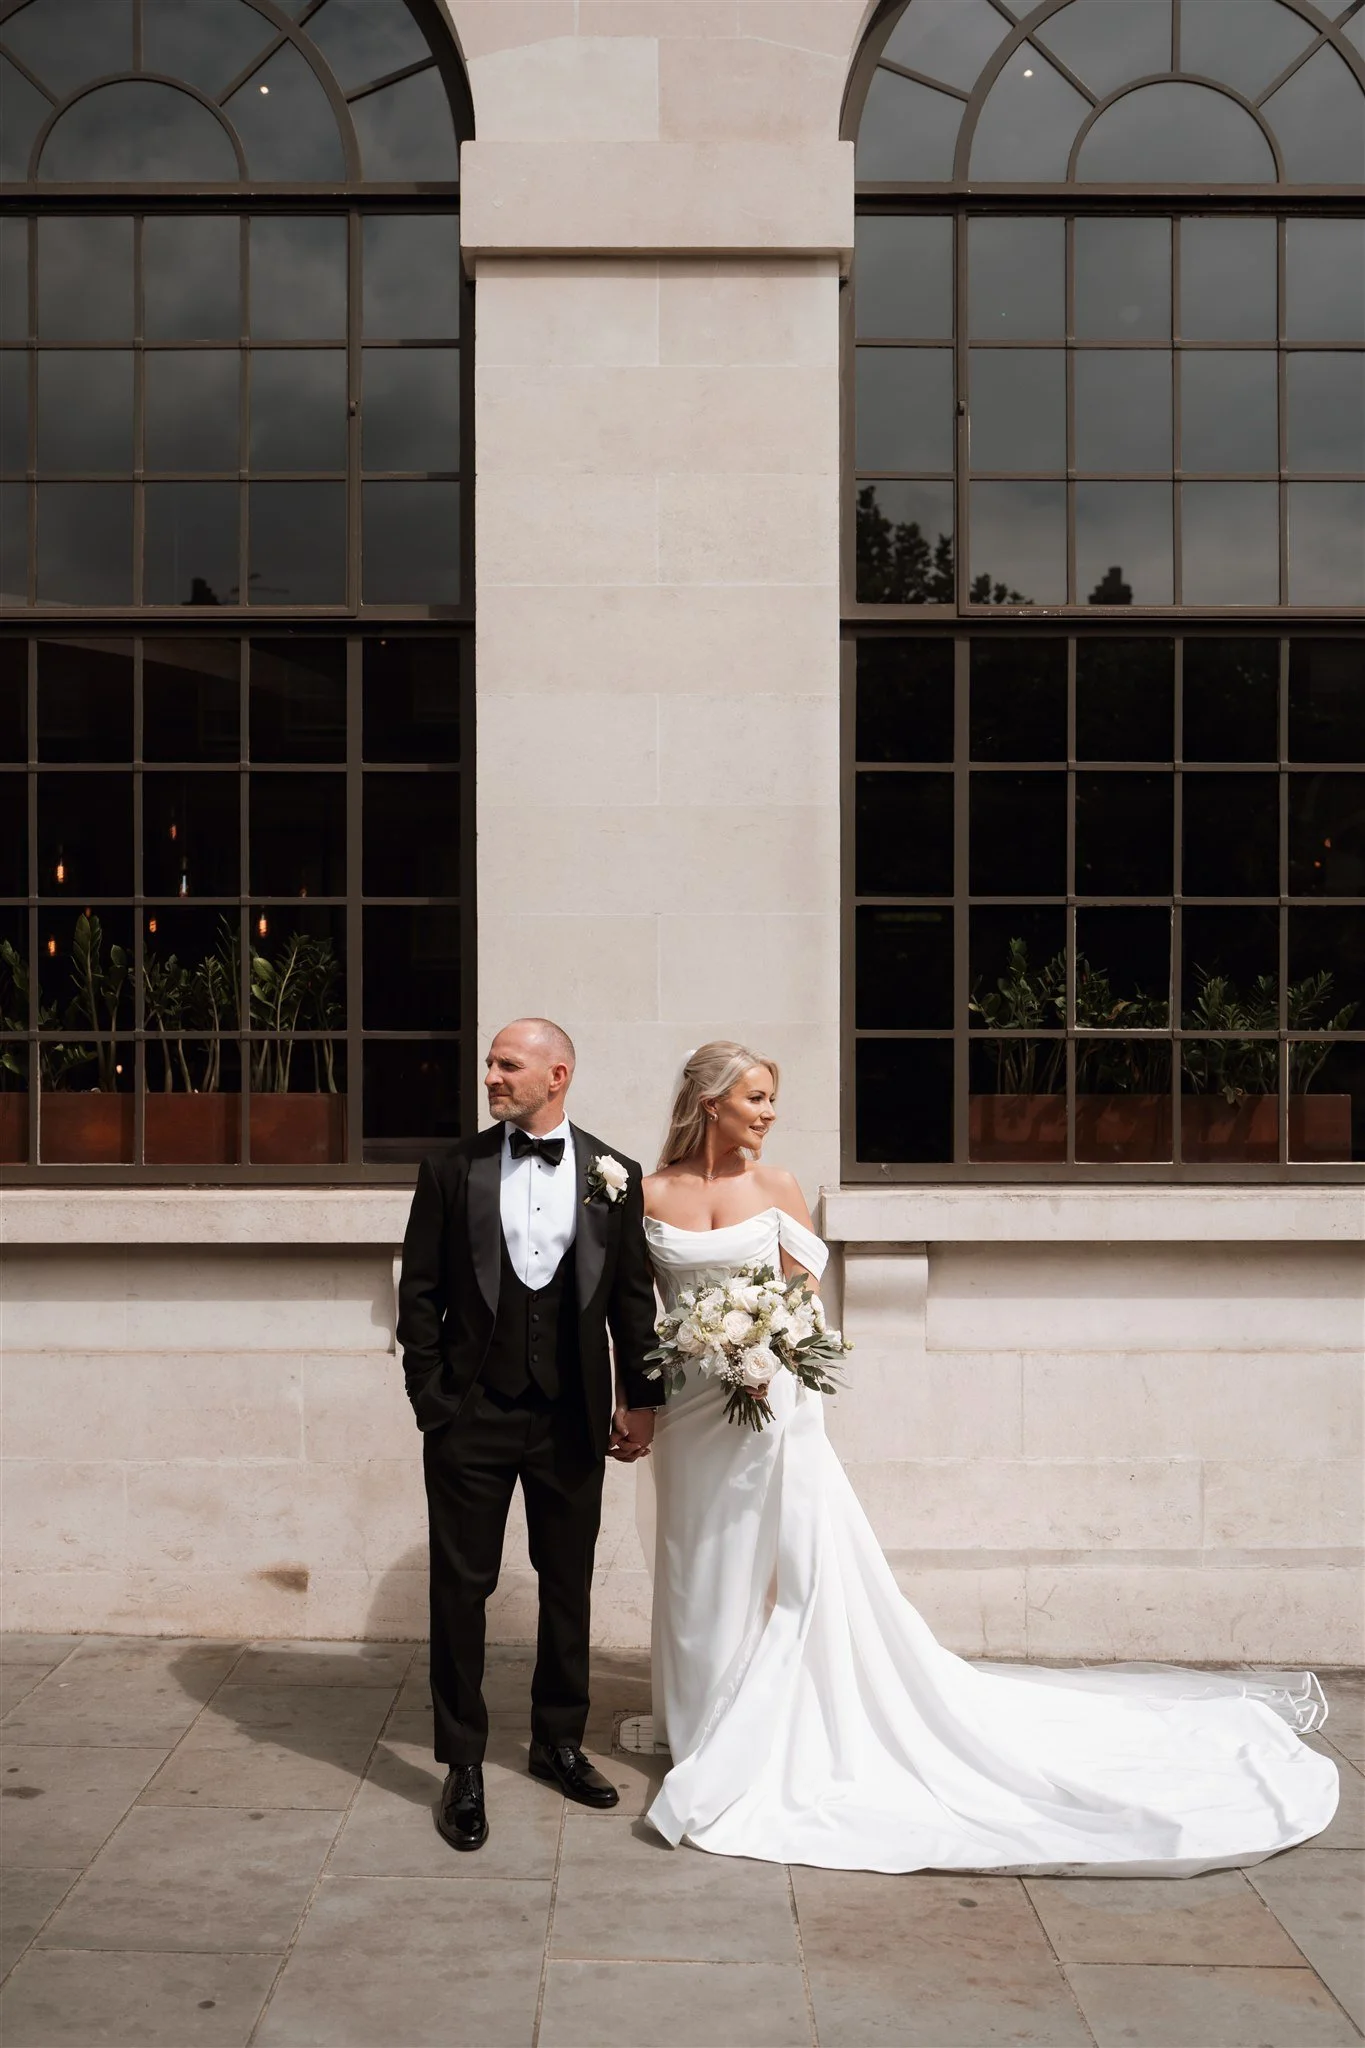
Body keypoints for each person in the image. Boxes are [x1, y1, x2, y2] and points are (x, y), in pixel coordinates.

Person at [636, 1039, 1340, 1874]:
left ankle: (758, 1721)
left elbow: (804, 1299)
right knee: (694, 1554)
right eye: (755, 1098)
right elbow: (635, 1307)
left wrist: (769, 1350)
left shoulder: (778, 1187)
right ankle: (696, 1716)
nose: (769, 1113)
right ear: (711, 1102)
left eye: (769, 1097)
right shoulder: (650, 1193)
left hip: (770, 1406)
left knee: (772, 1562)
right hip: (689, 1407)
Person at [397, 1017, 660, 1853]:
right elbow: (419, 1296)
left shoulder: (615, 1173)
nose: (490, 1076)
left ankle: (557, 1742)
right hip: (469, 1415)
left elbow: (631, 1298)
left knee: (567, 1583)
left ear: (557, 1075)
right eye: (489, 1063)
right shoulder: (451, 1169)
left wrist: (641, 1398)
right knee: (460, 1588)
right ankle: (462, 1763)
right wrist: (432, 1400)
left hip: (571, 1415)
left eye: (507, 1064)